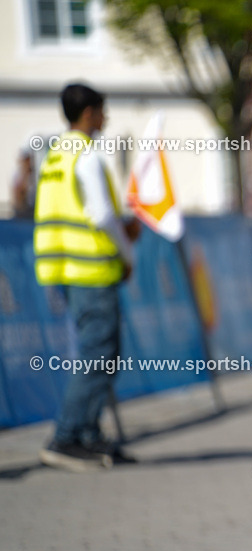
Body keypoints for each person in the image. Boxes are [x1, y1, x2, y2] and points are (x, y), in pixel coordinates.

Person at [34, 83, 140, 472]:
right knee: (100, 356)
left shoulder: (55, 156)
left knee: (100, 355)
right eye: (103, 111)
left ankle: (89, 437)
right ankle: (66, 437)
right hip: (92, 270)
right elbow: (100, 216)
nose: (106, 118)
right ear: (90, 113)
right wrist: (127, 253)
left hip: (64, 269)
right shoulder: (88, 157)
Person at [12, 149, 36, 219]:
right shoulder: (17, 175)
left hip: (32, 211)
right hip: (21, 212)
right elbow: (19, 197)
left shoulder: (34, 174)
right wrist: (24, 174)